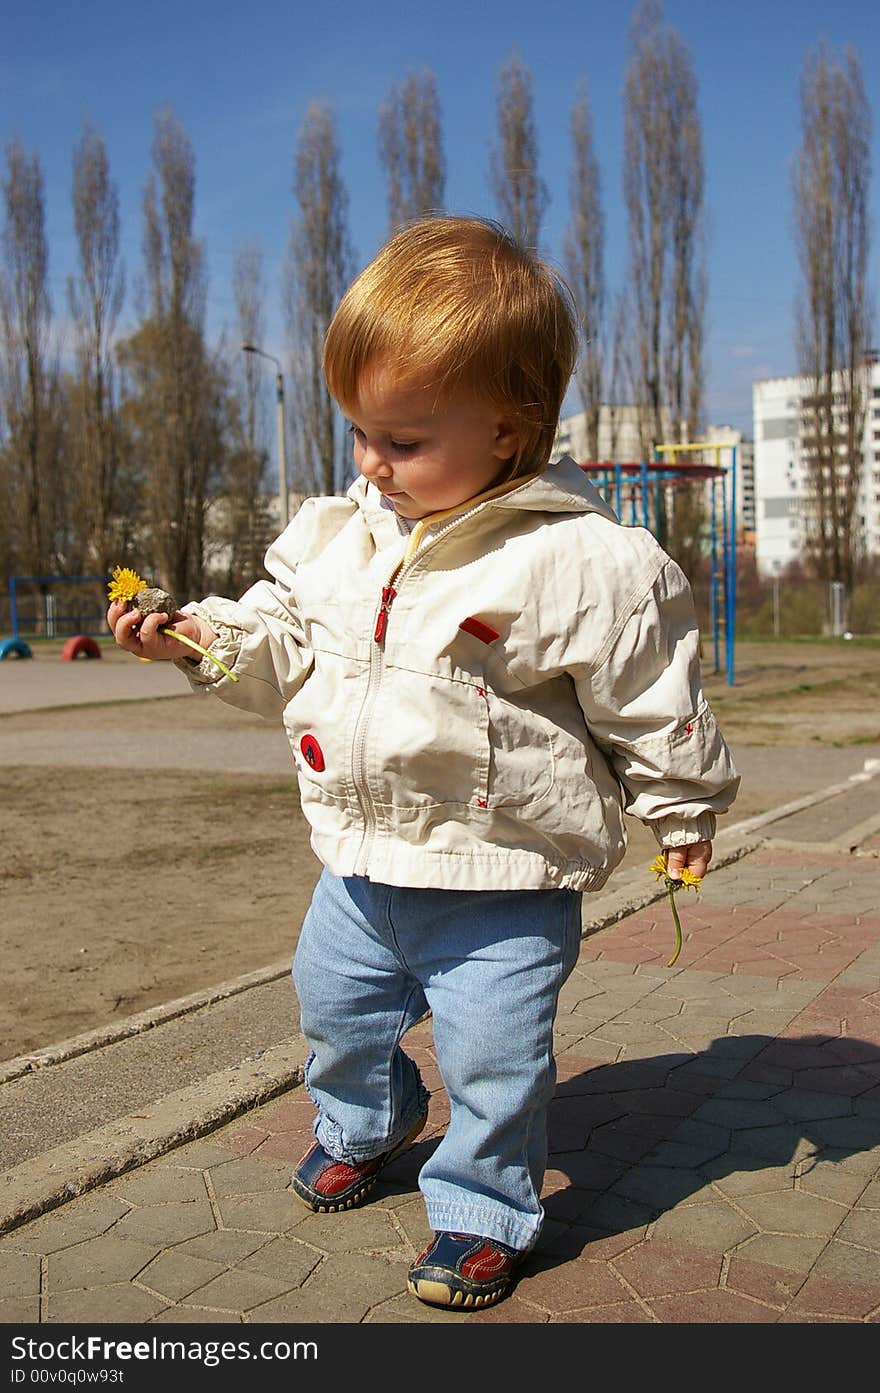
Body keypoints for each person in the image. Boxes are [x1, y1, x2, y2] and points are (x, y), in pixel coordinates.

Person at [107, 215, 740, 1311]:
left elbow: (650, 698)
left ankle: (483, 1210)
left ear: (508, 429)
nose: (370, 464)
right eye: (358, 432)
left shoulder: (581, 560)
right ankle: (367, 1117)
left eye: (402, 441)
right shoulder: (337, 536)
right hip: (359, 869)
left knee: (495, 1063)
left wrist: (681, 812)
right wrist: (201, 637)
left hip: (501, 884)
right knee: (333, 1015)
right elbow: (281, 634)